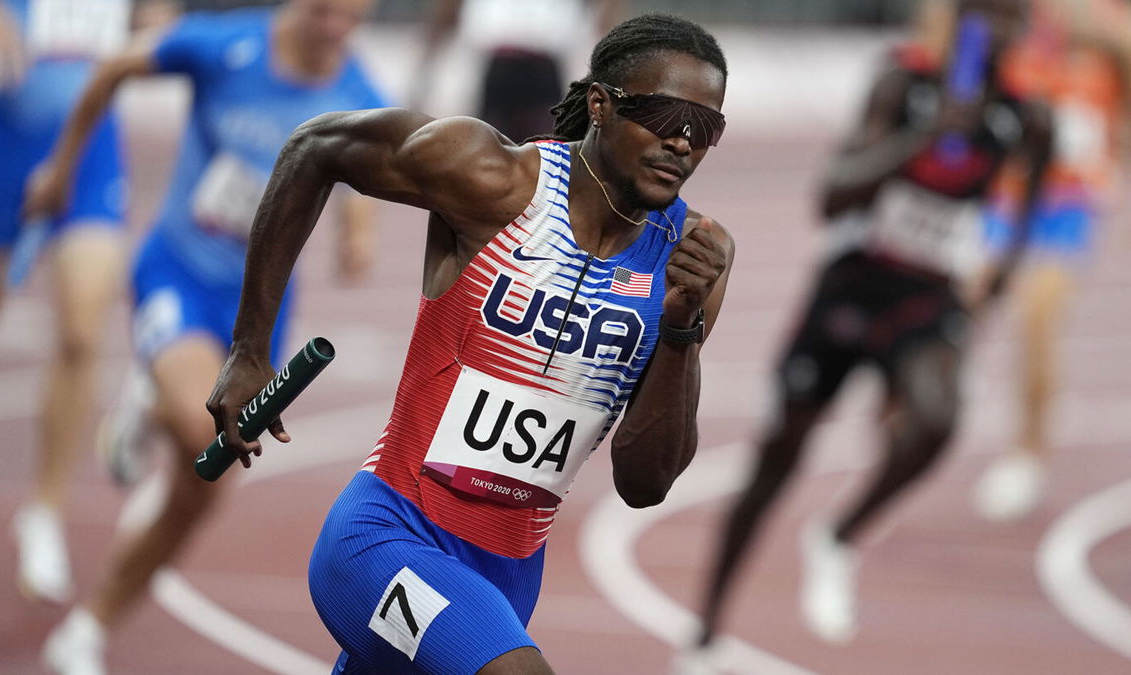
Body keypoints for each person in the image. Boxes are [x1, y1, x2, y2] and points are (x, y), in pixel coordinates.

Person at [206, 13, 733, 674]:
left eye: (705, 128)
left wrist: (680, 328)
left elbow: (645, 482)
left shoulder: (690, 259)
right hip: (386, 533)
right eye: (663, 115)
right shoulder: (494, 179)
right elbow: (316, 147)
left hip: (507, 575)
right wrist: (250, 349)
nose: (682, 142)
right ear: (600, 104)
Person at [679, 0, 1052, 663]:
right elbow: (831, 195)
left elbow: (1025, 215)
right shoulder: (902, 85)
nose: (993, 32)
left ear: (1024, 29)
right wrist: (922, 135)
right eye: (981, 16)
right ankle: (704, 629)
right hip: (851, 285)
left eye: (1008, 18)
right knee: (778, 458)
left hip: (926, 296)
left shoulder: (1028, 119)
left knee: (938, 416)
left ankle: (839, 534)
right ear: (959, 22)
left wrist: (991, 290)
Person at [20, 1, 388, 672]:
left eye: (354, 10)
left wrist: (356, 235)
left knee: (208, 479)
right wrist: (63, 167)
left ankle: (89, 625)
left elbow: (363, 179)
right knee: (202, 435)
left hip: (261, 311)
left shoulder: (359, 96)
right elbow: (112, 71)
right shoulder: (224, 47)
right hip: (178, 274)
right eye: (327, 6)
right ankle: (156, 396)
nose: (339, 18)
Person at [0, 0, 133, 606]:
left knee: (79, 334)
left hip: (92, 161)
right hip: (5, 155)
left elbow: (165, 21)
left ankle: (44, 508)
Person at [972, 0, 1130, 521]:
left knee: (1039, 316)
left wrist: (1091, 24)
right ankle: (918, 408)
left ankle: (1028, 452)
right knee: (957, 302)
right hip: (1005, 196)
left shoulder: (1105, 23)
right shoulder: (1016, 20)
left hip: (1069, 204)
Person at [415, 0, 622, 142]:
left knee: (547, 151)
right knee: (487, 149)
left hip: (543, 68)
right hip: (500, 67)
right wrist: (426, 70)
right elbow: (448, 10)